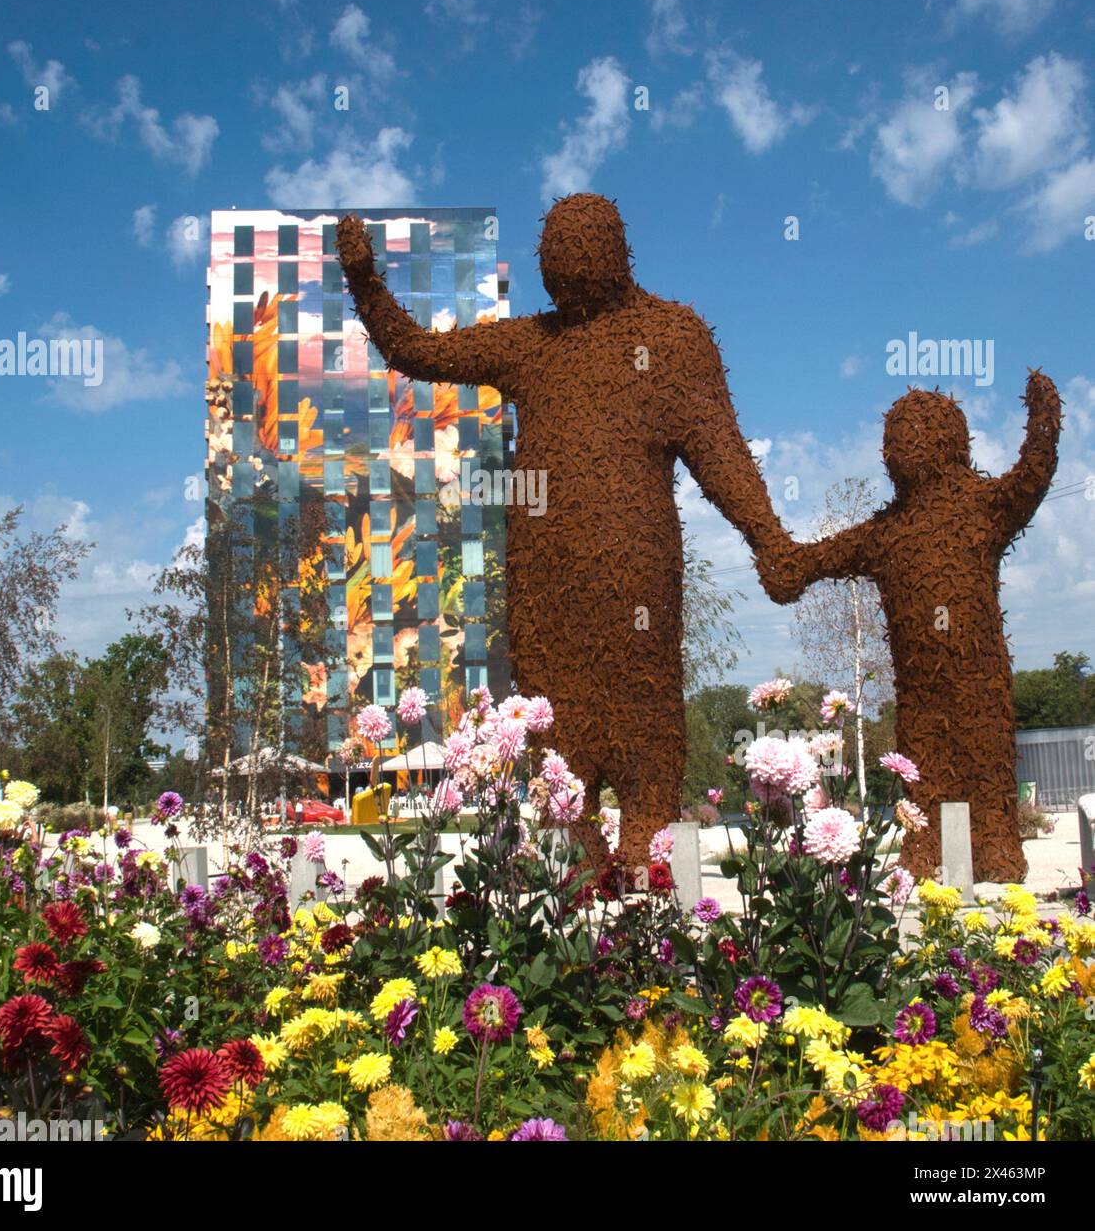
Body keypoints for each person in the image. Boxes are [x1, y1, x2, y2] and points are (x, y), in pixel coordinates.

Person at [337, 195, 792, 863]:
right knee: (559, 755)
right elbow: (417, 351)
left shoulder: (670, 339)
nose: (563, 256)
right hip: (544, 595)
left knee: (647, 741)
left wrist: (768, 539)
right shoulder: (531, 345)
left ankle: (648, 867)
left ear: (617, 247)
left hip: (636, 589)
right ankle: (581, 870)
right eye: (554, 243)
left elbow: (719, 452)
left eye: (580, 241)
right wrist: (365, 280)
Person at [757, 374, 1061, 882]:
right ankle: (923, 848)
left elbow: (1030, 477)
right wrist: (786, 563)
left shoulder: (982, 506)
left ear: (953, 442)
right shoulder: (887, 531)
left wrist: (1042, 420)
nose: (901, 444)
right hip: (918, 692)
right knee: (923, 763)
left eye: (916, 431)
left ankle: (996, 846)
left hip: (978, 679)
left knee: (985, 760)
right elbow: (817, 559)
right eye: (895, 434)